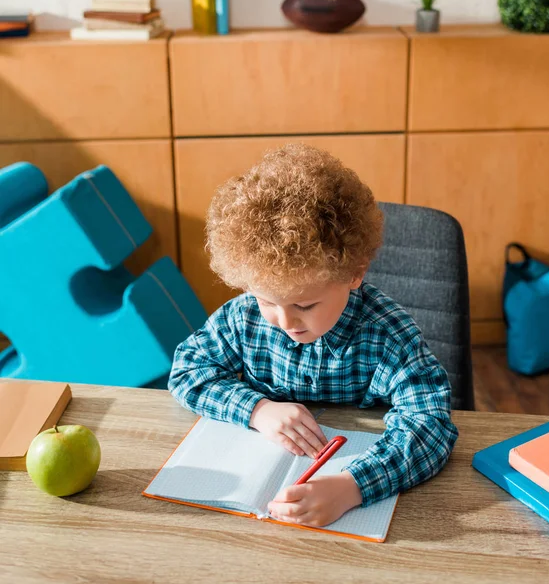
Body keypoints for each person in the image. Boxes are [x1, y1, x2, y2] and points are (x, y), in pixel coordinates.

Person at [168, 143, 458, 527]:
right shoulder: (244, 318)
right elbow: (188, 370)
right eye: (267, 301)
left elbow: (430, 424)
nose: (284, 321)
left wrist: (351, 487)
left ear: (354, 274)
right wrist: (258, 410)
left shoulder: (386, 335)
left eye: (304, 306)